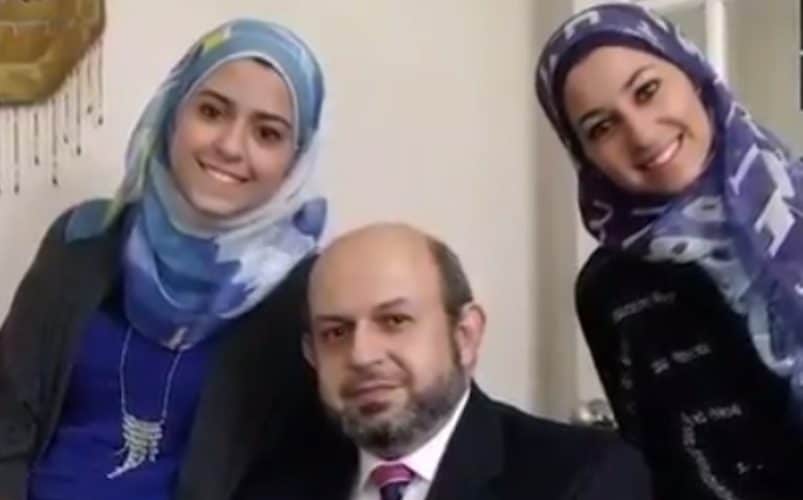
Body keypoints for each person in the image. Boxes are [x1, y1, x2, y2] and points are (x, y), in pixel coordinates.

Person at [0, 18, 328, 500]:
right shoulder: (85, 238)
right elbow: (7, 419)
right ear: (174, 112)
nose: (230, 146)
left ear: (295, 161)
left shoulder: (309, 293)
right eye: (212, 112)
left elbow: (300, 474)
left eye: (267, 133)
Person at [536, 3, 803, 499]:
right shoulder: (611, 288)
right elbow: (664, 464)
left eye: (647, 90)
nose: (640, 134)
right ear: (584, 155)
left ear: (693, 74)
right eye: (601, 127)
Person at [264, 223, 651, 499]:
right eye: (336, 332)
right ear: (312, 355)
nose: (362, 355)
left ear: (465, 335)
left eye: (395, 321)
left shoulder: (585, 477)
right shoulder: (275, 487)